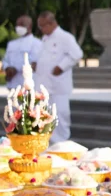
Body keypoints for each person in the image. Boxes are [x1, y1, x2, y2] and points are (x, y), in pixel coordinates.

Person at [33, 12, 83, 142]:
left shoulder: (65, 37)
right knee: (44, 119)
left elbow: (77, 54)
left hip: (58, 87)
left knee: (60, 117)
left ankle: (61, 145)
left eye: (42, 26)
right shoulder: (44, 39)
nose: (41, 29)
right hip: (44, 88)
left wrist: (61, 67)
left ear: (51, 23)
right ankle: (47, 146)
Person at [2, 15, 42, 90]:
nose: (18, 27)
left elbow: (35, 63)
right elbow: (5, 60)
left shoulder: (37, 43)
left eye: (22, 25)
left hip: (28, 86)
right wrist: (7, 68)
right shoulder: (12, 44)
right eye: (17, 25)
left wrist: (16, 69)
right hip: (13, 85)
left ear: (29, 26)